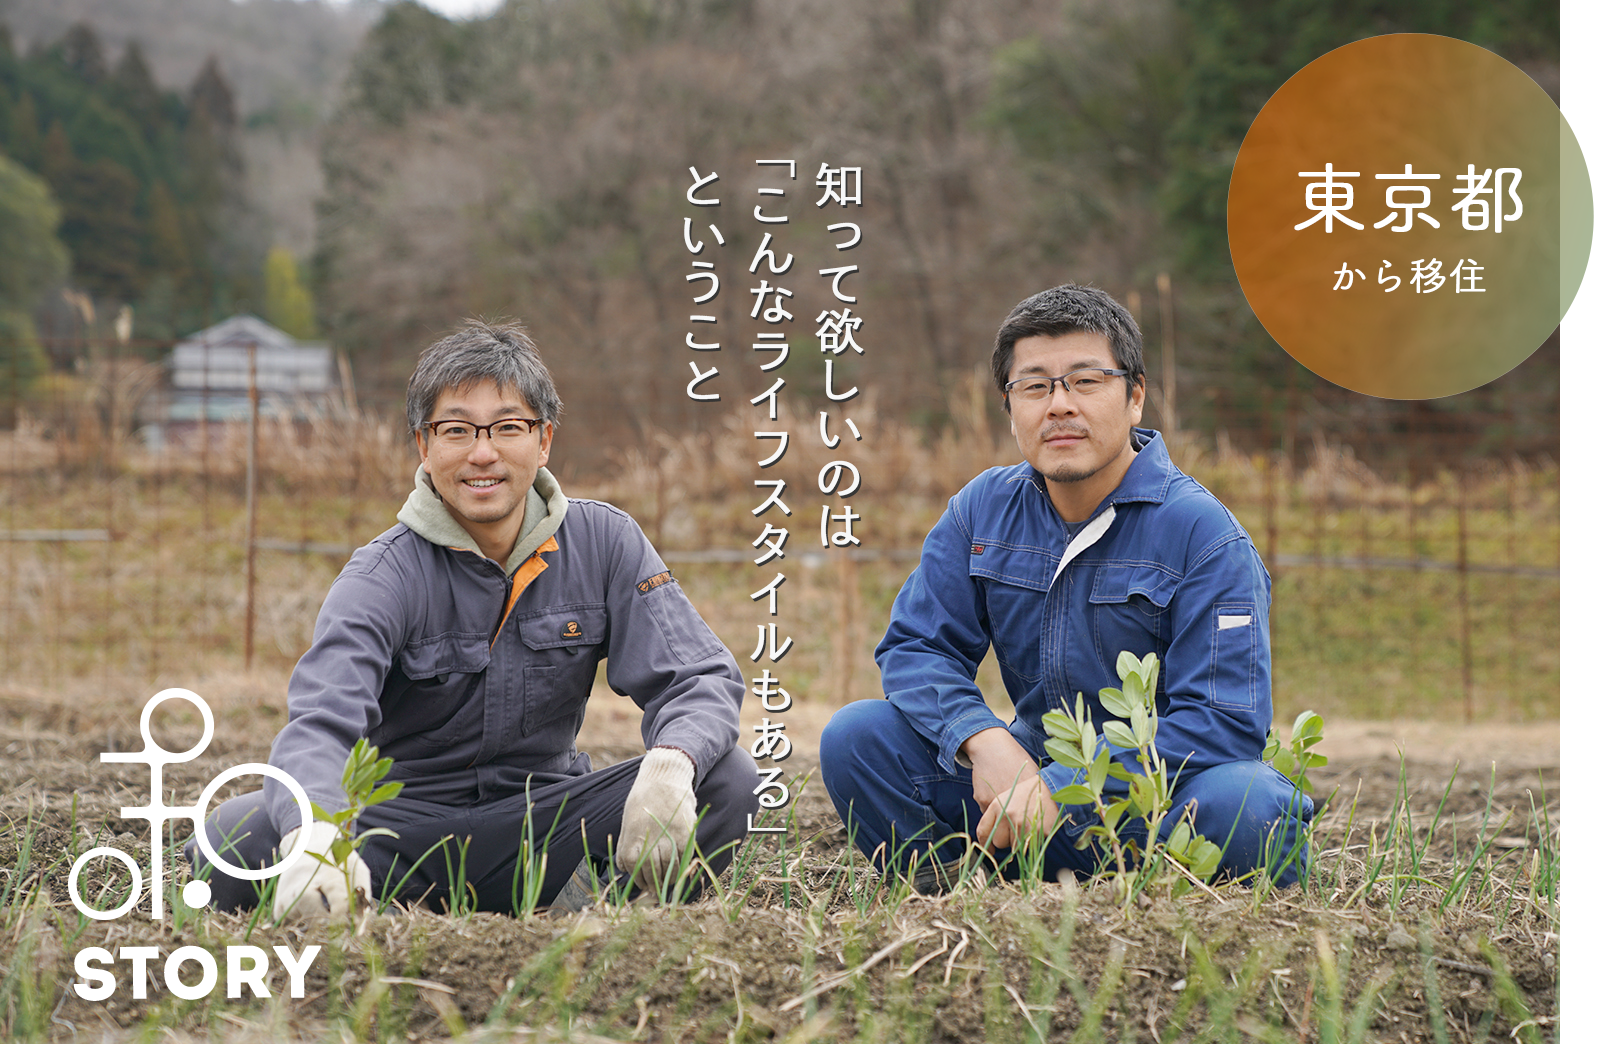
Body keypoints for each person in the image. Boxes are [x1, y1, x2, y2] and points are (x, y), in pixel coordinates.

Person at [188, 319, 757, 917]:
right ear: (424, 447)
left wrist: (671, 762)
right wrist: (319, 836)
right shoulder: (382, 575)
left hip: (545, 822)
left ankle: (595, 913)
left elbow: (699, 677)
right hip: (400, 833)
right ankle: (367, 900)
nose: (482, 453)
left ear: (544, 441)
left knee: (725, 779)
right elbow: (319, 726)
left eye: (508, 428)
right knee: (236, 835)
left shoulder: (606, 542)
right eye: (456, 430)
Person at [819, 283, 1310, 890]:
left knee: (1252, 802)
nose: (1059, 406)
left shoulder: (1204, 537)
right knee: (859, 738)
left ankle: (1159, 905)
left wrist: (1068, 786)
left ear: (1135, 398)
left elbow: (1222, 722)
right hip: (1017, 794)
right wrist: (983, 740)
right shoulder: (983, 511)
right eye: (1035, 386)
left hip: (1148, 805)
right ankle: (957, 899)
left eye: (1085, 381)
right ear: (1011, 406)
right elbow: (917, 649)